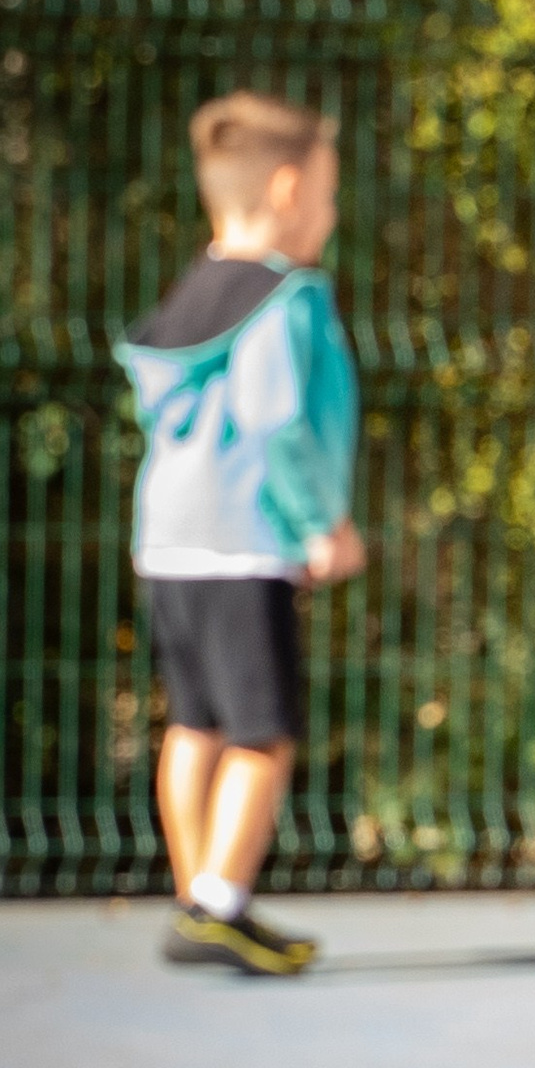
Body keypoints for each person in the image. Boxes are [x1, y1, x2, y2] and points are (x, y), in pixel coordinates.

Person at [116, 91, 365, 977]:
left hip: (169, 543)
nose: (330, 215)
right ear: (289, 190)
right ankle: (218, 902)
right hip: (246, 539)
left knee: (195, 724)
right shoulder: (284, 297)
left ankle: (203, 899)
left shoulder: (191, 295)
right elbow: (277, 419)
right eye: (328, 196)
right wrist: (321, 524)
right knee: (263, 731)